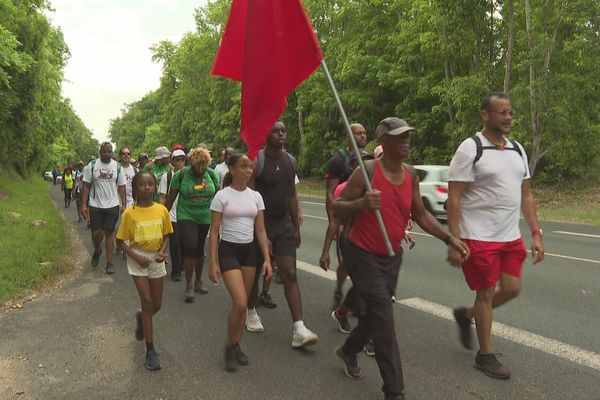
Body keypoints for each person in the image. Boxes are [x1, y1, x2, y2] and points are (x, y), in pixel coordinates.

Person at [332, 117, 470, 400]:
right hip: (360, 253)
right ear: (383, 141)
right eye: (399, 136)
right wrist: (361, 203)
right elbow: (337, 210)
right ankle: (394, 391)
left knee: (373, 317)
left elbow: (420, 214)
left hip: (391, 255)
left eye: (408, 135)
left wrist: (449, 238)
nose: (406, 140)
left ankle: (348, 350)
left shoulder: (410, 175)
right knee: (384, 318)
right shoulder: (366, 172)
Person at [447, 92, 545, 380]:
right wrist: (454, 239)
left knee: (512, 289)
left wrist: (536, 233)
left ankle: (467, 315)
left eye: (510, 113)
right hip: (477, 236)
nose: (507, 118)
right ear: (485, 115)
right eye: (501, 112)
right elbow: (455, 197)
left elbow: (526, 194)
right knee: (486, 293)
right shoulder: (470, 148)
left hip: (509, 236)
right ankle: (485, 355)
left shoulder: (517, 150)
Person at [246, 121, 319, 348]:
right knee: (256, 271)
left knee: (289, 273)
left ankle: (299, 327)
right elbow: (250, 197)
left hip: (283, 225)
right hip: (260, 225)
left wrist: (296, 227)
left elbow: (290, 195)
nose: (280, 134)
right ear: (266, 134)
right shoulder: (257, 161)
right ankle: (250, 311)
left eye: (283, 131)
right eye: (275, 130)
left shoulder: (290, 161)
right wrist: (260, 232)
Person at [208, 153, 272, 372]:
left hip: (249, 253)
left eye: (250, 167)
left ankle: (235, 345)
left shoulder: (256, 197)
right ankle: (230, 346)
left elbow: (261, 230)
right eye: (243, 166)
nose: (248, 170)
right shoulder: (221, 196)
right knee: (241, 303)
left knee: (243, 306)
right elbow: (214, 231)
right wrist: (213, 263)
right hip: (229, 251)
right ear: (232, 169)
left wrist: (267, 259)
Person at [116, 171, 173, 371]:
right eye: (142, 184)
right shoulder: (129, 213)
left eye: (150, 184)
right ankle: (150, 350)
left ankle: (141, 318)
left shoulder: (162, 210)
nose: (147, 187)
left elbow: (167, 235)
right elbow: (120, 242)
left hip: (156, 258)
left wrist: (162, 252)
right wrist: (136, 256)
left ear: (155, 187)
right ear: (136, 188)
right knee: (147, 302)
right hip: (137, 257)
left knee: (156, 304)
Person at [165, 147, 219, 302]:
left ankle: (198, 281)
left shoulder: (212, 175)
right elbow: (170, 200)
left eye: (204, 168)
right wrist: (160, 219)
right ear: (191, 165)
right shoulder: (181, 175)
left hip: (205, 216)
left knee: (199, 248)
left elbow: (219, 197)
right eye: (198, 169)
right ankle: (188, 284)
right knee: (190, 246)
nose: (201, 171)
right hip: (186, 214)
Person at [81, 142, 127, 275]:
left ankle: (109, 263)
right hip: (95, 205)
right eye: (104, 152)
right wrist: (84, 204)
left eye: (109, 152)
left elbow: (122, 187)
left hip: (112, 205)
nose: (107, 154)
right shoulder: (93, 165)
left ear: (112, 153)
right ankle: (97, 250)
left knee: (109, 232)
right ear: (100, 152)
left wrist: (123, 205)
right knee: (96, 233)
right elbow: (86, 186)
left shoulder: (117, 167)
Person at [158, 149, 186, 281]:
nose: (180, 162)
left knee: (185, 242)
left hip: (187, 214)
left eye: (182, 159)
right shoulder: (167, 177)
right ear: (172, 161)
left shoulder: (190, 175)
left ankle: (182, 264)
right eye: (177, 159)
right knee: (174, 243)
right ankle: (176, 271)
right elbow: (163, 196)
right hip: (172, 214)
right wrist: (162, 213)